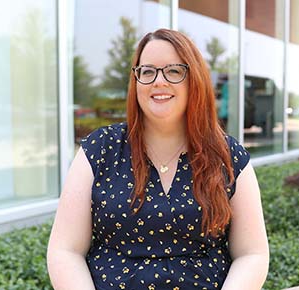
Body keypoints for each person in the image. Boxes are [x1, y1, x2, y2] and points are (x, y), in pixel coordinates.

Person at [47, 28, 269, 290]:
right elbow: (65, 250)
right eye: (147, 71)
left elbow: (252, 254)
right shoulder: (100, 149)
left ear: (194, 80)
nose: (158, 81)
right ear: (136, 80)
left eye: (174, 71)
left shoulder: (228, 156)